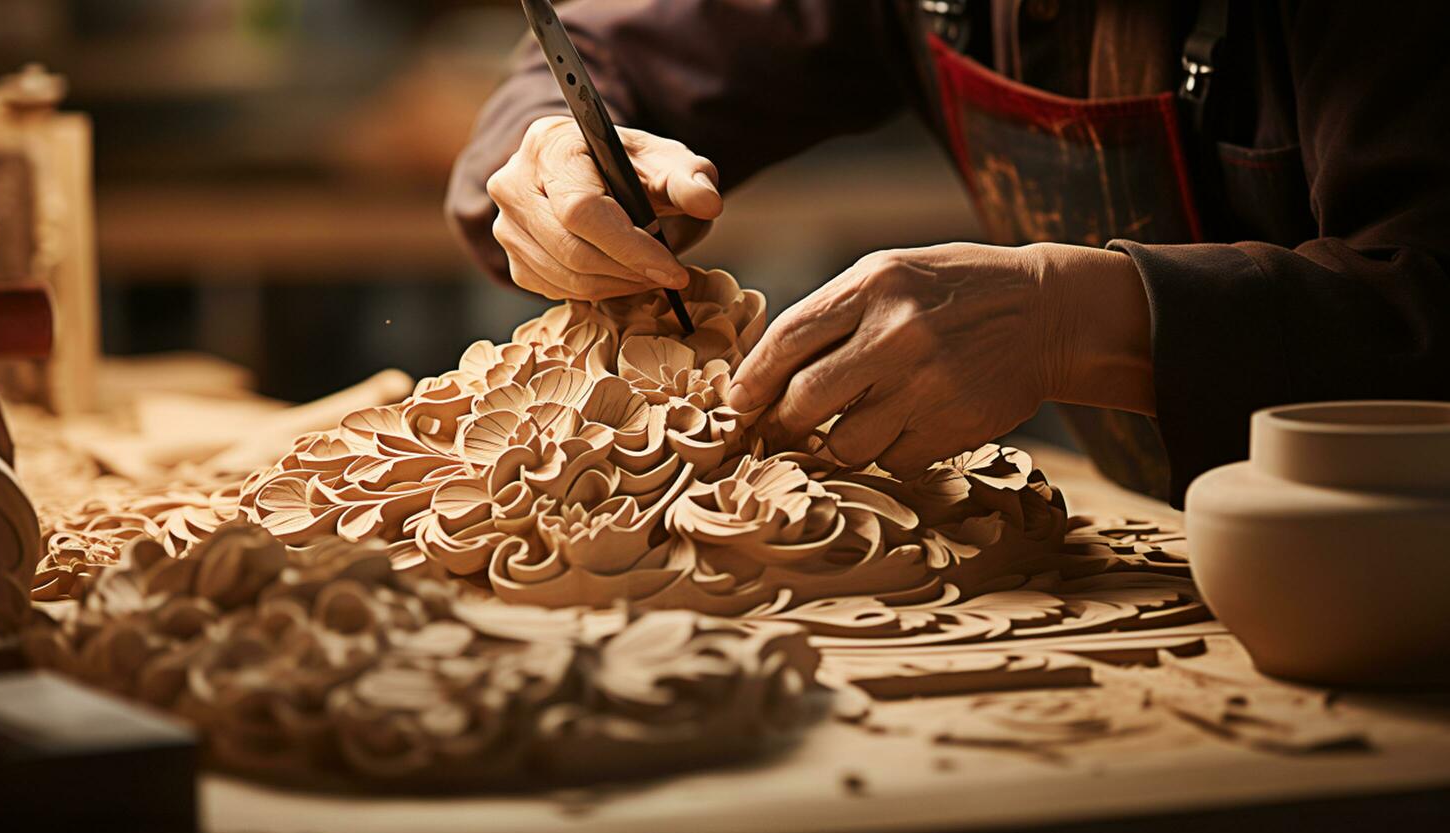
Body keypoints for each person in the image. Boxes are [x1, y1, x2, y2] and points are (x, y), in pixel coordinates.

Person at [447, 0, 1450, 506]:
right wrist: (555, 151)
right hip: (1158, 552)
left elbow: (1427, 297)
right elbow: (601, 48)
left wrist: (1073, 317)